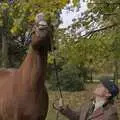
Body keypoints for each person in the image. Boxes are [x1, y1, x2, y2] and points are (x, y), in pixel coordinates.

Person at [53, 77, 119, 120]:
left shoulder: (111, 114)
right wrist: (63, 109)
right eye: (100, 84)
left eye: (102, 86)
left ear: (108, 94)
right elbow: (77, 116)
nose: (98, 86)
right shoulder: (89, 104)